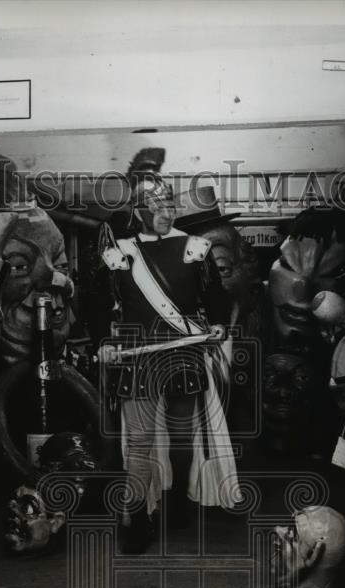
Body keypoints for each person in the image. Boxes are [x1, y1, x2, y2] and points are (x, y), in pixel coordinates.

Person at [99, 148, 237, 553]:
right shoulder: (118, 253)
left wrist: (217, 324)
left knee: (181, 437)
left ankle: (179, 504)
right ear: (139, 211)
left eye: (169, 202)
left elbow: (215, 298)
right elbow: (96, 308)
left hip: (185, 352)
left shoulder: (196, 247)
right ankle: (136, 518)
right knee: (140, 444)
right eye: (155, 205)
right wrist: (105, 343)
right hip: (138, 356)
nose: (165, 210)